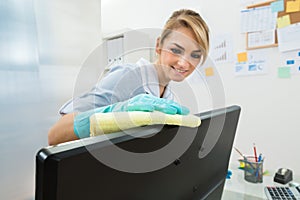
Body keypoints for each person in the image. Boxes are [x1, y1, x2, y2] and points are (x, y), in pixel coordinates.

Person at [48, 9, 210, 145]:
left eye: (195, 55)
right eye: (176, 50)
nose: (183, 63)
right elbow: (55, 134)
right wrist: (117, 111)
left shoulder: (167, 94)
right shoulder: (127, 77)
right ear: (158, 46)